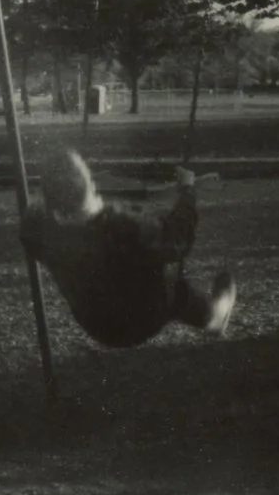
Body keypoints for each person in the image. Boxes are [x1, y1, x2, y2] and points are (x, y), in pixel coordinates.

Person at [18, 148, 238, 350]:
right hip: (142, 321)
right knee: (172, 284)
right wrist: (188, 193)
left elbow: (40, 213)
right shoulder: (123, 227)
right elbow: (177, 239)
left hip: (95, 325)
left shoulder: (37, 230)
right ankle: (214, 318)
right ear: (92, 185)